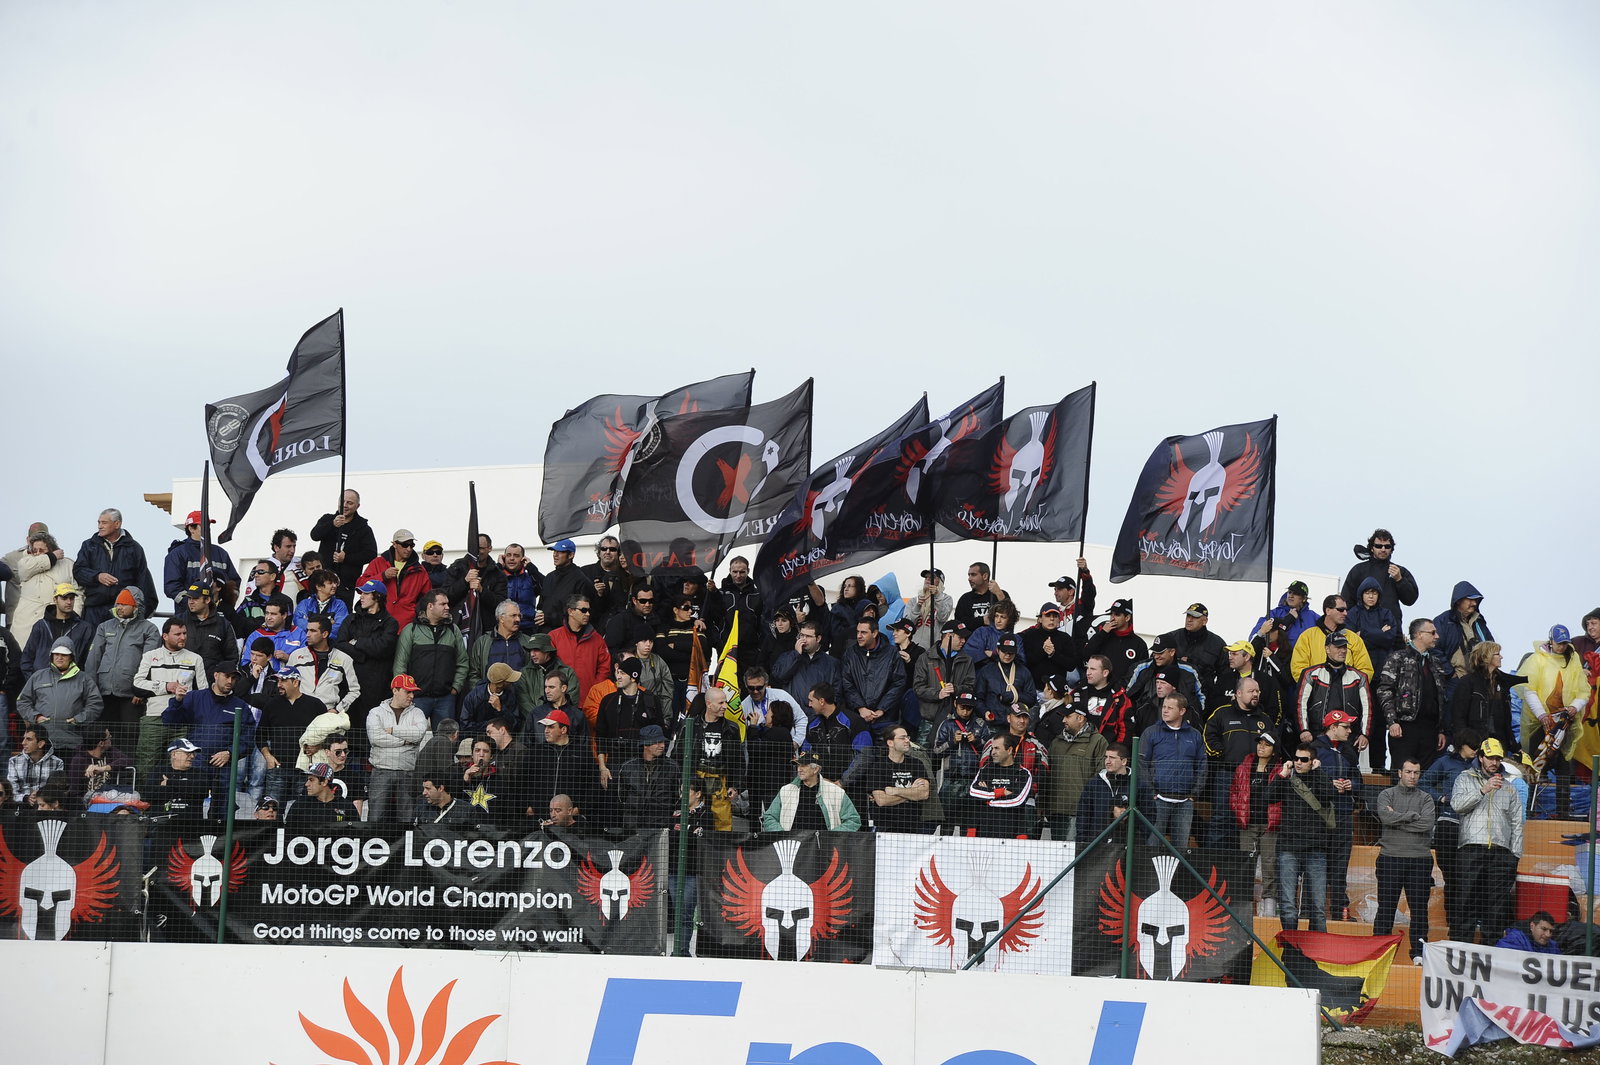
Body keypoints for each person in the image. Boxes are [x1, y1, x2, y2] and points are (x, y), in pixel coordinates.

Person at [1452, 737, 1525, 946]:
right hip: (1471, 848)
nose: (1494, 762)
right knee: (1466, 900)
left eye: (1498, 758)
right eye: (1491, 757)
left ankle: (1492, 949)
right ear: (1481, 757)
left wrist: (1515, 854)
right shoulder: (1464, 778)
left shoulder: (1509, 788)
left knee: (1496, 905)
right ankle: (1460, 947)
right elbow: (1457, 805)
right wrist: (1483, 789)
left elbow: (1517, 822)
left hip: (1502, 853)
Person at [1518, 626, 1593, 821]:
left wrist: (1575, 707)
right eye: (1559, 643)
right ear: (1551, 640)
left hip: (1563, 724)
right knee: (1535, 766)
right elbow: (1529, 690)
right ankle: (1528, 809)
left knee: (1563, 767)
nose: (1561, 647)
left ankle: (1562, 812)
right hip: (1539, 724)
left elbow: (1583, 691)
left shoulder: (1572, 660)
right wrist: (1542, 715)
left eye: (1565, 643)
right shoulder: (1537, 660)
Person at [1269, 743, 1339, 932]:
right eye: (1296, 758)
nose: (1299, 762)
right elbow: (1267, 797)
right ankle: (1291, 947)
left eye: (1304, 759)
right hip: (1288, 848)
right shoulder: (1287, 779)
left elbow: (1330, 795)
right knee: (1288, 905)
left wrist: (1318, 772)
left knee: (1318, 908)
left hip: (1315, 849)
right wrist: (1282, 774)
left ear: (1313, 761)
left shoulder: (1319, 778)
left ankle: (1317, 950)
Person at [1371, 758, 1436, 962]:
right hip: (1390, 857)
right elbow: (1385, 818)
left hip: (1419, 859)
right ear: (1399, 772)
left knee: (1419, 910)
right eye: (1408, 772)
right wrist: (1411, 816)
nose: (1412, 776)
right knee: (1386, 908)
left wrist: (1397, 818)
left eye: (1416, 772)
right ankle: (1378, 951)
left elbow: (1426, 825)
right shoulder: (1386, 794)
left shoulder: (1426, 798)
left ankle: (1418, 952)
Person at [160, 664, 254, 803]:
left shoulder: (240, 705)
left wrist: (230, 753)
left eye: (234, 678)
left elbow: (248, 738)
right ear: (216, 675)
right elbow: (170, 721)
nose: (230, 681)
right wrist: (177, 701)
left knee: (222, 809)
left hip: (223, 764)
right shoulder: (195, 697)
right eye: (227, 676)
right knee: (192, 802)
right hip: (196, 762)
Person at [1202, 677, 1275, 847]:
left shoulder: (1265, 719)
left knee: (1247, 822)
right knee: (1221, 818)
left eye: (1257, 691)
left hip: (1255, 778)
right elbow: (1208, 735)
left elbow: (1274, 745)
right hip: (1228, 775)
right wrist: (1221, 753)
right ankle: (1211, 864)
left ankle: (1239, 865)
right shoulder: (1222, 713)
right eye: (1251, 691)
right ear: (1239, 693)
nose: (1255, 694)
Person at [1421, 731, 1480, 941]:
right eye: (1472, 746)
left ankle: (1466, 920)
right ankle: (1453, 920)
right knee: (1451, 876)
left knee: (1469, 876)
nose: (1475, 751)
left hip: (1472, 827)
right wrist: (1442, 798)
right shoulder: (1445, 762)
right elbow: (1423, 783)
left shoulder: (1478, 765)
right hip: (1449, 823)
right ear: (1462, 744)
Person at [83, 586, 158, 751]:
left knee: (129, 738)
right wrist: (91, 689)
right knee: (103, 736)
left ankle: (126, 774)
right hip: (104, 692)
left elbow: (150, 661)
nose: (119, 607)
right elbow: (93, 658)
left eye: (124, 604)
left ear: (135, 606)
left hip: (131, 695)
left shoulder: (149, 629)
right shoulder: (105, 627)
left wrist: (140, 690)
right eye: (117, 604)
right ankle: (104, 772)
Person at [1375, 618, 1452, 773]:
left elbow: (1442, 698)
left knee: (1424, 778)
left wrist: (1441, 730)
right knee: (1402, 774)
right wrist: (1392, 722)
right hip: (1404, 727)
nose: (1437, 636)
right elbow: (1384, 690)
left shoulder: (1435, 662)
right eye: (1432, 632)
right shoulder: (1398, 658)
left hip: (1430, 730)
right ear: (1419, 634)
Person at [337, 579, 401, 741]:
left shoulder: (390, 623)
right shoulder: (351, 619)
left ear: (377, 597)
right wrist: (361, 655)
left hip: (376, 685)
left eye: (366, 593)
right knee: (348, 727)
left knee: (371, 728)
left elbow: (383, 647)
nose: (361, 597)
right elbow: (339, 644)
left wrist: (358, 642)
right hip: (350, 683)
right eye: (361, 593)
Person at [1140, 693, 1206, 848]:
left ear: (1182, 711)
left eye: (1170, 707)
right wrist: (1151, 793)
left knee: (1180, 849)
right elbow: (1141, 764)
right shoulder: (1151, 732)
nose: (1165, 710)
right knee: (1152, 846)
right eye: (1164, 707)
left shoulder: (1195, 735)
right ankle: (1149, 874)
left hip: (1185, 802)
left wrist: (1194, 793)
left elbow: (1202, 765)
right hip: (1158, 800)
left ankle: (1177, 874)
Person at [673, 687, 745, 831]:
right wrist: (682, 782)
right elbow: (677, 756)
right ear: (708, 704)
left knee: (722, 822)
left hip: (720, 780)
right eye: (720, 703)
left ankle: (721, 853)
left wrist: (735, 785)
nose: (725, 706)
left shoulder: (732, 729)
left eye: (725, 702)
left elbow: (738, 760)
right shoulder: (689, 725)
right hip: (695, 779)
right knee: (692, 819)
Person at [1314, 710, 1362, 922]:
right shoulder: (1314, 749)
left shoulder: (1349, 751)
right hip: (1320, 815)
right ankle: (1311, 910)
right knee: (1317, 862)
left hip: (1343, 813)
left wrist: (1352, 784)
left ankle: (1339, 910)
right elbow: (1303, 780)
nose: (1350, 731)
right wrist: (1328, 785)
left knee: (1341, 863)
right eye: (1346, 727)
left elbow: (1359, 780)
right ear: (1332, 727)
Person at [72, 508, 158, 626]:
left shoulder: (134, 548)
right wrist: (97, 576)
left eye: (104, 523)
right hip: (94, 610)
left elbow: (143, 580)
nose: (100, 526)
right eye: (99, 522)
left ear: (117, 524)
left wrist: (142, 613)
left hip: (122, 612)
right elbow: (78, 571)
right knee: (93, 645)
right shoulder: (88, 545)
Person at [396, 590, 470, 722]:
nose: (447, 607)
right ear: (430, 606)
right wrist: (405, 692)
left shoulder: (453, 630)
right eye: (443, 604)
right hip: (416, 697)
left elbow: (463, 662)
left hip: (445, 698)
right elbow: (400, 664)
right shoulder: (411, 630)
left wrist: (455, 688)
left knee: (445, 741)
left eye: (448, 604)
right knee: (411, 739)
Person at [18, 639, 103, 754]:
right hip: (42, 742)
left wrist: (79, 719)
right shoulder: (38, 676)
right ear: (51, 656)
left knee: (69, 771)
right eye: (56, 654)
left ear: (71, 657)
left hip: (72, 741)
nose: (59, 657)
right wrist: (35, 716)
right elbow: (22, 702)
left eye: (64, 654)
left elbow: (95, 704)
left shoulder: (84, 679)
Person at [1231, 732, 1282, 916]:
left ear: (1274, 749)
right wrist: (1239, 813)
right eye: (1260, 743)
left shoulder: (1280, 769)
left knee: (1269, 865)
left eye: (1266, 745)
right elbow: (1235, 793)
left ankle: (1268, 910)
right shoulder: (1245, 766)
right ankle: (1244, 908)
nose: (1261, 747)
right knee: (1246, 865)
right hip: (1248, 825)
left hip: (1269, 826)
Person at [256, 667, 324, 803]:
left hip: (306, 769)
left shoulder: (315, 705)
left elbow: (330, 734)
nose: (279, 684)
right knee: (273, 809)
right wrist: (268, 756)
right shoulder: (271, 705)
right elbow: (260, 735)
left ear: (295, 682)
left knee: (303, 810)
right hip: (278, 768)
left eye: (283, 680)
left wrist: (318, 746)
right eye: (278, 681)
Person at [366, 674, 428, 822]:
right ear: (395, 690)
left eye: (413, 692)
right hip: (381, 770)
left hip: (407, 771)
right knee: (376, 816)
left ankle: (405, 846)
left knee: (407, 819)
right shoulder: (376, 712)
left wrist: (393, 730)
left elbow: (418, 734)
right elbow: (376, 738)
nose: (412, 696)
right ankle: (372, 844)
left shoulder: (418, 713)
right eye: (408, 691)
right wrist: (405, 742)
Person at [854, 724, 938, 833]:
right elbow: (881, 800)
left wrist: (895, 791)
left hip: (913, 825)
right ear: (890, 743)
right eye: (902, 738)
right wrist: (911, 793)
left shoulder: (917, 763)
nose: (907, 740)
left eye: (907, 737)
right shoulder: (877, 766)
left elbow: (923, 794)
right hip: (886, 827)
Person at [1042, 699, 1106, 842]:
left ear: (1080, 718)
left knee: (1075, 856)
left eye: (1068, 716)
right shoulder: (1056, 742)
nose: (1063, 720)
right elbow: (1047, 775)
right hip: (1056, 810)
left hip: (1081, 811)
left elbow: (1101, 776)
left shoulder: (1098, 741)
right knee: (1058, 856)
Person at [1294, 632, 1371, 747]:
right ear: (1327, 649)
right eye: (1338, 647)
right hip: (1317, 736)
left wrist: (1364, 734)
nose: (1343, 650)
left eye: (1344, 647)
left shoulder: (1359, 677)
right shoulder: (1310, 674)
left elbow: (1368, 708)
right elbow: (1300, 704)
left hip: (1349, 738)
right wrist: (1304, 730)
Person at [932, 692, 991, 833]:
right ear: (955, 705)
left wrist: (976, 742)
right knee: (947, 823)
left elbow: (990, 751)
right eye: (962, 708)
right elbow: (936, 751)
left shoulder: (980, 724)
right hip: (950, 779)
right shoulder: (946, 724)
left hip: (973, 779)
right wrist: (952, 742)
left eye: (969, 708)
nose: (965, 711)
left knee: (970, 823)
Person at [527, 708, 600, 819]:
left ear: (563, 729)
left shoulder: (582, 753)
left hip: (571, 819)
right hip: (539, 816)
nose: (546, 730)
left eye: (551, 727)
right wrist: (528, 806)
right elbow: (524, 781)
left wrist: (580, 809)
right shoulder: (536, 752)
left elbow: (593, 784)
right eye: (545, 727)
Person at [163, 510, 241, 614]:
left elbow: (234, 583)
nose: (208, 529)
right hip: (189, 617)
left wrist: (227, 604)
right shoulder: (177, 554)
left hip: (220, 615)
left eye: (208, 525)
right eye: (204, 525)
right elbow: (172, 587)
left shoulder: (221, 553)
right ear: (191, 528)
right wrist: (194, 605)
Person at [310, 489, 378, 607]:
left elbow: (371, 553)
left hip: (346, 584)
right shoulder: (327, 519)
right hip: (323, 581)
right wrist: (332, 525)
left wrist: (347, 558)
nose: (345, 505)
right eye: (343, 501)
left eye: (350, 503)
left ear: (357, 506)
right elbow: (314, 535)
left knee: (343, 618)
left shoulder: (363, 528)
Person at [1340, 529, 1420, 631]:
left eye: (1387, 546)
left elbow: (1410, 600)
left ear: (1391, 549)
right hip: (1362, 631)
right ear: (1372, 548)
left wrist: (1400, 580)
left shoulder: (1399, 571)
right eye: (1378, 546)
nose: (1383, 549)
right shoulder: (1358, 570)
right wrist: (1353, 626)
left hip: (1392, 630)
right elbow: (1347, 600)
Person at [840, 616, 907, 735]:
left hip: (886, 719)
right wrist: (860, 708)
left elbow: (899, 683)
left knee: (885, 753)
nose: (859, 636)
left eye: (864, 632)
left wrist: (882, 709)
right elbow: (847, 683)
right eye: (858, 632)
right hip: (858, 718)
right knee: (861, 753)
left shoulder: (891, 653)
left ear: (875, 633)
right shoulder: (850, 653)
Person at [763, 750, 861, 831]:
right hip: (793, 849)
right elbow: (769, 817)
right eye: (798, 765)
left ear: (816, 769)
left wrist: (832, 837)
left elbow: (853, 821)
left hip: (824, 850)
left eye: (804, 765)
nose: (799, 769)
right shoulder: (786, 790)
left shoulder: (836, 792)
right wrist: (783, 836)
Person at [912, 620, 976, 743]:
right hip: (929, 720)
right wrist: (938, 694)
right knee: (923, 758)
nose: (963, 641)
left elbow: (971, 687)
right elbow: (918, 688)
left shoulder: (967, 660)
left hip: (956, 722)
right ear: (948, 636)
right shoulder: (925, 658)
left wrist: (956, 689)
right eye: (960, 637)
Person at [1452, 643, 1521, 757]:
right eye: (1497, 654)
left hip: (1500, 742)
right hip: (1475, 743)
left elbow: (1506, 718)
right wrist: (1465, 742)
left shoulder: (1502, 683)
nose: (1501, 657)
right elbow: (1458, 716)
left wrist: (1512, 744)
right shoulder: (1467, 682)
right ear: (1486, 657)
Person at [356, 529, 433, 631]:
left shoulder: (420, 570)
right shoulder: (378, 562)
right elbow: (360, 586)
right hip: (378, 624)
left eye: (412, 545)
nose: (409, 548)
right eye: (405, 544)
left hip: (407, 625)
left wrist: (415, 614)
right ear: (394, 544)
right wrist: (383, 576)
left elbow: (427, 598)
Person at [287, 615, 360, 715]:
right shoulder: (296, 656)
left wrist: (337, 709)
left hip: (327, 715)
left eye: (313, 631)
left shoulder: (344, 659)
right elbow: (285, 683)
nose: (307, 634)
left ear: (325, 634)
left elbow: (354, 691)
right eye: (307, 630)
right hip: (298, 712)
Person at [9, 528, 75, 641]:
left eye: (42, 550)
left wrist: (74, 615)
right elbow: (24, 571)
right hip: (26, 623)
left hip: (56, 620)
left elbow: (77, 593)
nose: (38, 554)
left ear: (52, 549)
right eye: (35, 550)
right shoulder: (26, 562)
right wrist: (51, 557)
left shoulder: (68, 564)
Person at [1291, 595, 1374, 683]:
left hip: (1346, 694)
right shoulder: (1307, 636)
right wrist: (1317, 687)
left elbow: (1366, 670)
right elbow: (1298, 668)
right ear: (1328, 611)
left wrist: (1350, 688)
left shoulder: (1354, 639)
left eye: (1346, 610)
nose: (1345, 613)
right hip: (1316, 694)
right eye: (1341, 610)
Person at [20, 582, 93, 679]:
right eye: (64, 598)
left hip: (71, 684)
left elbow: (89, 660)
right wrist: (35, 681)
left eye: (71, 598)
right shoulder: (40, 626)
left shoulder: (84, 628)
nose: (69, 602)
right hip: (42, 683)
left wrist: (79, 683)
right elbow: (27, 658)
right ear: (55, 600)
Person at [614, 724, 680, 831]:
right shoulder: (628, 767)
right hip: (633, 825)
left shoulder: (672, 767)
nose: (662, 746)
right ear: (645, 745)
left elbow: (676, 797)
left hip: (661, 825)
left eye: (662, 742)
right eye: (657, 742)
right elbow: (621, 797)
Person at [968, 732, 1033, 838]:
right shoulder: (985, 770)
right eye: (992, 748)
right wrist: (1001, 792)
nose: (993, 752)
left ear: (1009, 750)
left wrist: (988, 801)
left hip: (1011, 835)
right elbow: (973, 791)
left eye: (997, 748)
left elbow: (1016, 800)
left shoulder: (1022, 773)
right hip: (983, 835)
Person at [549, 594, 610, 703]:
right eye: (583, 610)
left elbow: (604, 668)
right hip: (560, 701)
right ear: (570, 611)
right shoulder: (554, 637)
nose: (588, 614)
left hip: (588, 700)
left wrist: (595, 691)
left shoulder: (597, 639)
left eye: (588, 610)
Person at [176, 582, 239, 679]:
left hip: (211, 684)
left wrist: (218, 678)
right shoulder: (178, 621)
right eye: (189, 598)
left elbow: (232, 658)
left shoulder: (223, 625)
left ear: (207, 600)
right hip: (181, 682)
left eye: (195, 598)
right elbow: (167, 650)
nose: (190, 602)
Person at [1076, 743, 1133, 846]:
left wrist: (1137, 838)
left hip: (1127, 845)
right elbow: (1083, 813)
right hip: (1095, 843)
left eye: (1112, 758)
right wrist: (1083, 840)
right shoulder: (1094, 784)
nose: (1108, 761)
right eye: (1106, 757)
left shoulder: (1137, 784)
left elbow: (1148, 814)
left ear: (1124, 761)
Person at [975, 635, 1038, 729]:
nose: (1007, 655)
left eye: (1011, 653)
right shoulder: (986, 671)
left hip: (1015, 725)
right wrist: (985, 712)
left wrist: (1015, 696)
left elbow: (1032, 698)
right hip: (993, 724)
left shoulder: (1024, 671)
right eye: (1004, 652)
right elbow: (978, 698)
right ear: (998, 650)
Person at [1084, 598, 1147, 689]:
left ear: (1127, 618)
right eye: (1111, 614)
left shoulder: (1139, 644)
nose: (1113, 618)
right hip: (1100, 689)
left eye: (1117, 615)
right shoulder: (1103, 636)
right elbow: (1086, 655)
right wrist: (1102, 634)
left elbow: (1141, 674)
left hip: (1124, 692)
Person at [1171, 602, 1227, 700]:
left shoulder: (1217, 644)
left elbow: (1225, 676)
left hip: (1203, 697)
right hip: (1173, 696)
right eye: (1188, 615)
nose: (1189, 619)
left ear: (1205, 621)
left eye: (1194, 617)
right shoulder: (1172, 638)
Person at [1346, 577, 1400, 678]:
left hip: (1383, 668)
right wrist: (1380, 633)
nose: (1371, 596)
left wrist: (1363, 633)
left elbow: (1389, 638)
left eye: (1374, 593)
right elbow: (1352, 640)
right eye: (1367, 593)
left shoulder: (1386, 613)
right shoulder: (1353, 613)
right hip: (1359, 667)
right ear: (1361, 594)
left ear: (1379, 595)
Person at [145, 737, 210, 820]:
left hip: (190, 824)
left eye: (193, 753)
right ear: (174, 754)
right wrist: (186, 789)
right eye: (188, 753)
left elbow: (202, 790)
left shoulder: (199, 773)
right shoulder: (158, 771)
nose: (192, 756)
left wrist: (169, 783)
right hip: (161, 823)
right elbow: (150, 795)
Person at [1073, 654, 1133, 745]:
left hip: (1106, 751)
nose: (1088, 672)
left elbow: (1125, 729)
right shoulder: (1078, 691)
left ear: (1105, 673)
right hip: (1078, 747)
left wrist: (1116, 750)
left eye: (1093, 669)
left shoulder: (1119, 696)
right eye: (1087, 668)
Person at [68, 726, 133, 805]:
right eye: (108, 737)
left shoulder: (110, 752)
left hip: (111, 800)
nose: (111, 737)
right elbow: (75, 792)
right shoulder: (78, 760)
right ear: (101, 743)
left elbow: (127, 760)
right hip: (88, 804)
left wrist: (103, 768)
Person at [284, 762, 361, 824]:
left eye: (311, 780)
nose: (306, 784)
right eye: (307, 780)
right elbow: (287, 834)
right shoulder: (299, 806)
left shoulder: (347, 806)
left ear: (324, 782)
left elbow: (357, 835)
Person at [1253, 579, 1318, 649]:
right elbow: (1256, 635)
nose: (1291, 595)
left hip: (1304, 658)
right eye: (1289, 592)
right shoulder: (1275, 613)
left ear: (1304, 598)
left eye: (1296, 593)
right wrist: (1286, 621)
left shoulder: (1313, 617)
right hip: (1278, 658)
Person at [6, 725, 63, 804]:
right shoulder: (14, 761)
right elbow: (11, 791)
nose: (23, 743)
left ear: (40, 744)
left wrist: (40, 797)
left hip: (47, 806)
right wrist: (26, 798)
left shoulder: (57, 763)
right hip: (22, 806)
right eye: (24, 738)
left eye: (29, 739)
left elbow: (57, 790)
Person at [953, 561, 1008, 633]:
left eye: (973, 575)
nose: (969, 579)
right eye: (969, 575)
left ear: (985, 576)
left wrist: (998, 593)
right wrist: (982, 620)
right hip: (972, 642)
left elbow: (1010, 616)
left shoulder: (999, 594)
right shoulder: (965, 599)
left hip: (996, 640)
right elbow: (959, 624)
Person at [293, 569, 350, 639]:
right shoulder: (305, 604)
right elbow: (299, 624)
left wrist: (313, 628)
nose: (334, 586)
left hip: (330, 645)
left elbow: (340, 627)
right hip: (306, 643)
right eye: (330, 583)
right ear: (318, 587)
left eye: (335, 583)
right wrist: (327, 624)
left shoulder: (339, 605)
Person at [907, 568, 953, 654]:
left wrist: (937, 596)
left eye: (932, 577)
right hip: (913, 649)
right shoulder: (914, 600)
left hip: (932, 650)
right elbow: (908, 625)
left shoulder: (946, 599)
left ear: (940, 582)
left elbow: (942, 617)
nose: (928, 579)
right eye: (926, 577)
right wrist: (917, 606)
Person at [606, 584, 660, 655]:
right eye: (643, 601)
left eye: (651, 601)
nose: (647, 604)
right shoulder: (621, 620)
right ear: (634, 600)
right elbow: (611, 648)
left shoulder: (656, 619)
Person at [964, 598, 1019, 664]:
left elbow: (1021, 661)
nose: (998, 620)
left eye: (1003, 617)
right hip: (981, 672)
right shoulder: (982, 632)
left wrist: (994, 654)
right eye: (996, 616)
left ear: (1010, 620)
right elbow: (970, 654)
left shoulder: (1016, 638)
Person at [1497, 912, 1562, 955]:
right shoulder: (1516, 938)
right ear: (1532, 926)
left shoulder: (1553, 946)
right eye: (1544, 929)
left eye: (1551, 931)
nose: (1548, 934)